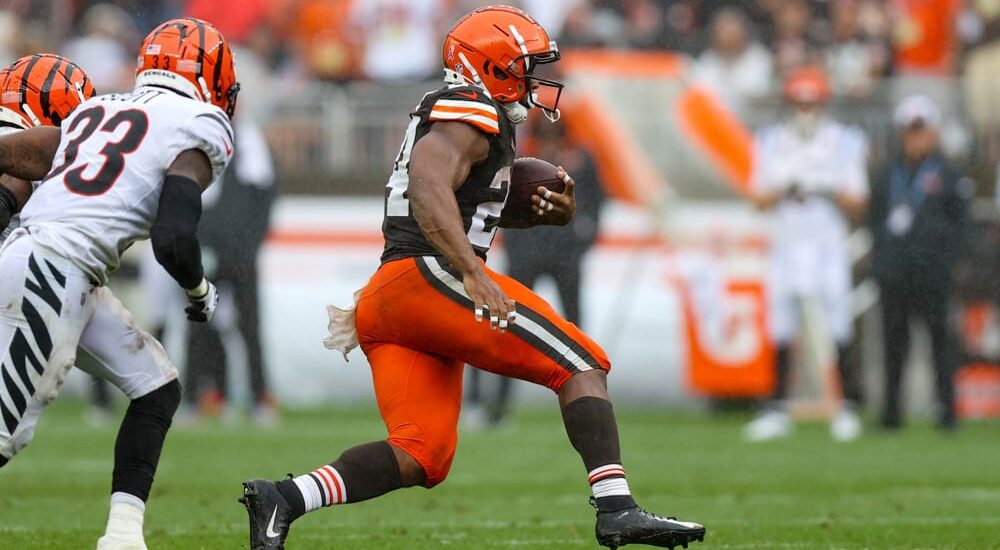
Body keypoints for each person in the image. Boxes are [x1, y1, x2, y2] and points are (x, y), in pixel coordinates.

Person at [240, 6, 705, 550]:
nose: (535, 79)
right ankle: (617, 509)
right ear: (494, 66)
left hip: (393, 295)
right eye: (525, 66)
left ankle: (284, 499)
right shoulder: (468, 108)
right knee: (580, 363)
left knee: (421, 454)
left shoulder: (464, 116)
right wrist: (471, 272)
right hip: (426, 277)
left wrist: (535, 211)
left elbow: (459, 197)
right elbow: (428, 185)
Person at [0, 18, 238, 550]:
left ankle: (123, 536)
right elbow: (174, 237)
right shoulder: (202, 123)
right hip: (52, 267)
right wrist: (199, 293)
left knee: (156, 386)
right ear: (215, 76)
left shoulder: (97, 107)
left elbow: (31, 152)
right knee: (4, 434)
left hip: (51, 263)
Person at [744, 67, 869, 442]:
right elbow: (758, 198)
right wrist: (787, 188)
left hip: (828, 243)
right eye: (799, 102)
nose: (805, 111)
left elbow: (858, 202)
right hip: (786, 240)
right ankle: (777, 407)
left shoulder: (845, 141)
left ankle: (847, 407)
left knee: (837, 320)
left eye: (811, 103)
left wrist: (825, 188)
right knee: (780, 323)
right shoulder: (770, 140)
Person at [465, 116, 604, 428]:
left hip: (565, 255)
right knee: (504, 325)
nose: (551, 139)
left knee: (573, 332)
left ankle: (581, 404)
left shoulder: (580, 159)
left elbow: (596, 204)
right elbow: (495, 203)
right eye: (547, 133)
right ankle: (490, 404)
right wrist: (514, 246)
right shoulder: (520, 159)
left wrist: (583, 243)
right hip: (527, 253)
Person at [869, 94, 971, 431]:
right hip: (895, 272)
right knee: (894, 346)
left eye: (921, 130)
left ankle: (947, 413)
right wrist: (881, 264)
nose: (915, 137)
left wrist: (950, 263)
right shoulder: (887, 174)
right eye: (910, 130)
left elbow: (961, 224)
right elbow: (875, 221)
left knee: (940, 344)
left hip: (933, 273)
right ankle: (892, 414)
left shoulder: (949, 174)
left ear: (933, 132)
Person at [184, 116, 277, 425]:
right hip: (207, 248)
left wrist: (251, 244)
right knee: (198, 325)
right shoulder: (201, 137)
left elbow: (265, 198)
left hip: (240, 252)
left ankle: (260, 397)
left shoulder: (252, 143)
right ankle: (199, 397)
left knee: (249, 325)